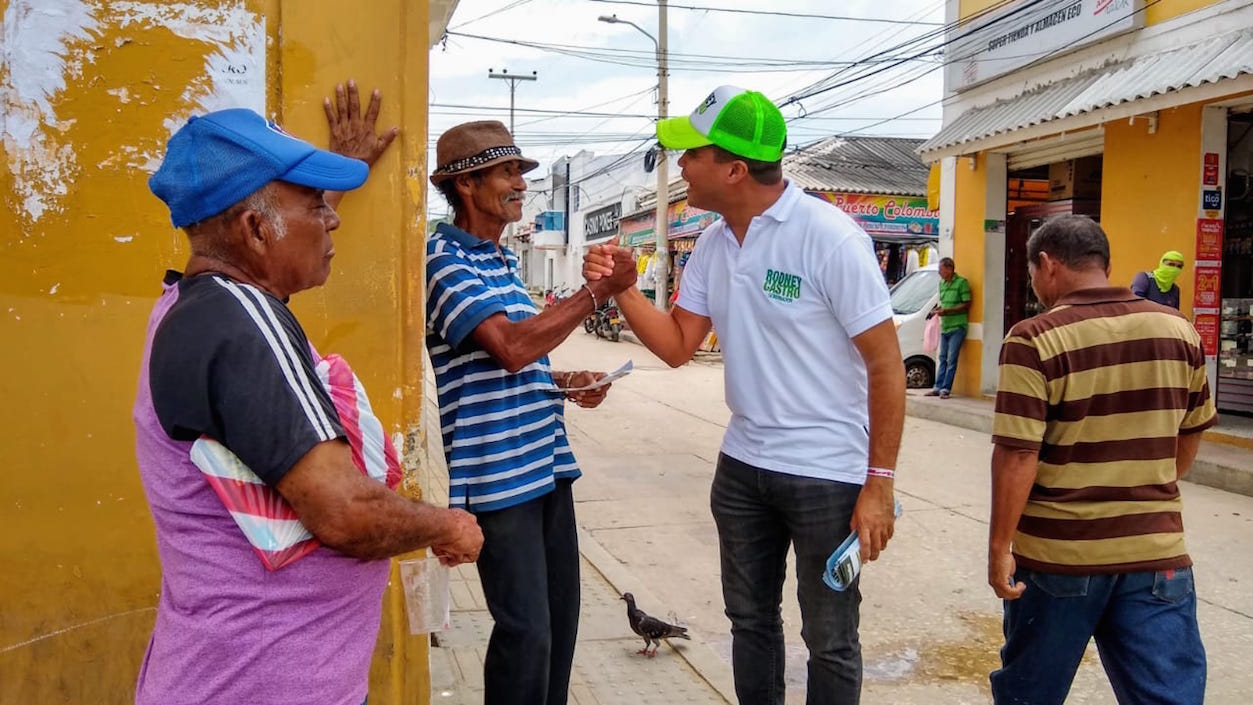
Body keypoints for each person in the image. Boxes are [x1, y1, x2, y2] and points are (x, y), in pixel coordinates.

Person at [134, 83, 484, 705]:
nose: (333, 217)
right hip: (267, 681)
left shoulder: (198, 309)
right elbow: (344, 514)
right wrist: (444, 524)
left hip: (237, 671)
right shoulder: (244, 323)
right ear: (254, 229)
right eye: (316, 203)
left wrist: (329, 179)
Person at [585, 85, 905, 705]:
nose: (679, 166)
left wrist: (881, 483)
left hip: (827, 475)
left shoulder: (830, 238)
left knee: (830, 639)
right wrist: (623, 289)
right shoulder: (712, 243)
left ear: (733, 168)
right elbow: (679, 344)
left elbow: (887, 366)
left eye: (691, 154)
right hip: (743, 469)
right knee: (750, 624)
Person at [425, 120, 638, 705]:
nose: (520, 184)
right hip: (497, 478)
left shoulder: (502, 262)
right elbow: (513, 347)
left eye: (521, 172)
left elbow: (520, 359)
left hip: (545, 467)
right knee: (526, 634)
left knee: (561, 628)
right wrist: (598, 293)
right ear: (466, 185)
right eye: (507, 172)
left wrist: (568, 380)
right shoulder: (443, 261)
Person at [988, 215, 1215, 705]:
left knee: (1031, 693)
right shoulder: (1180, 331)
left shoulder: (1033, 339)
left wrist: (999, 545)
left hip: (1059, 559)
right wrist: (1145, 492)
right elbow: (1190, 436)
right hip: (1158, 558)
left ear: (1046, 265)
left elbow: (1018, 455)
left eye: (1032, 274)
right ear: (1104, 265)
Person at [925, 257, 972, 399]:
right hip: (945, 326)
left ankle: (946, 388)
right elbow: (943, 304)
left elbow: (966, 304)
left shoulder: (962, 283)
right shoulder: (942, 284)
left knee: (952, 359)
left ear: (950, 269)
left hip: (957, 326)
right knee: (942, 357)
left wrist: (948, 311)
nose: (940, 273)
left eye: (941, 270)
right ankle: (937, 387)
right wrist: (937, 311)